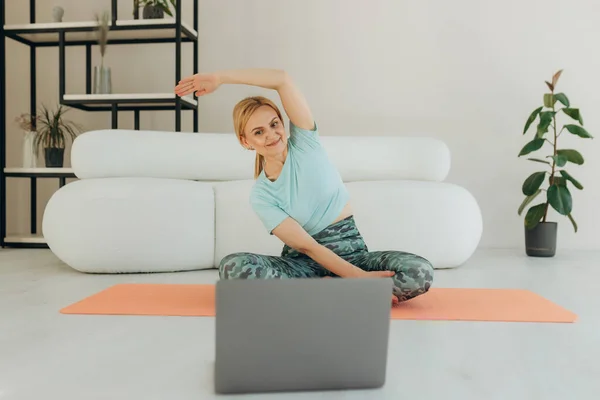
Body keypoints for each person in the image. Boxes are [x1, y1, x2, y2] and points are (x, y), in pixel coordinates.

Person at [174, 68, 433, 305]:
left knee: (419, 272)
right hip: (303, 267)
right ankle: (335, 290)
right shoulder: (262, 195)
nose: (271, 135)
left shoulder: (306, 143)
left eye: (274, 124)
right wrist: (358, 279)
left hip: (353, 254)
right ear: (246, 141)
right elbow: (308, 247)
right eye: (258, 132)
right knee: (233, 267)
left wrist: (221, 78)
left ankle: (324, 291)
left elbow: (282, 79)